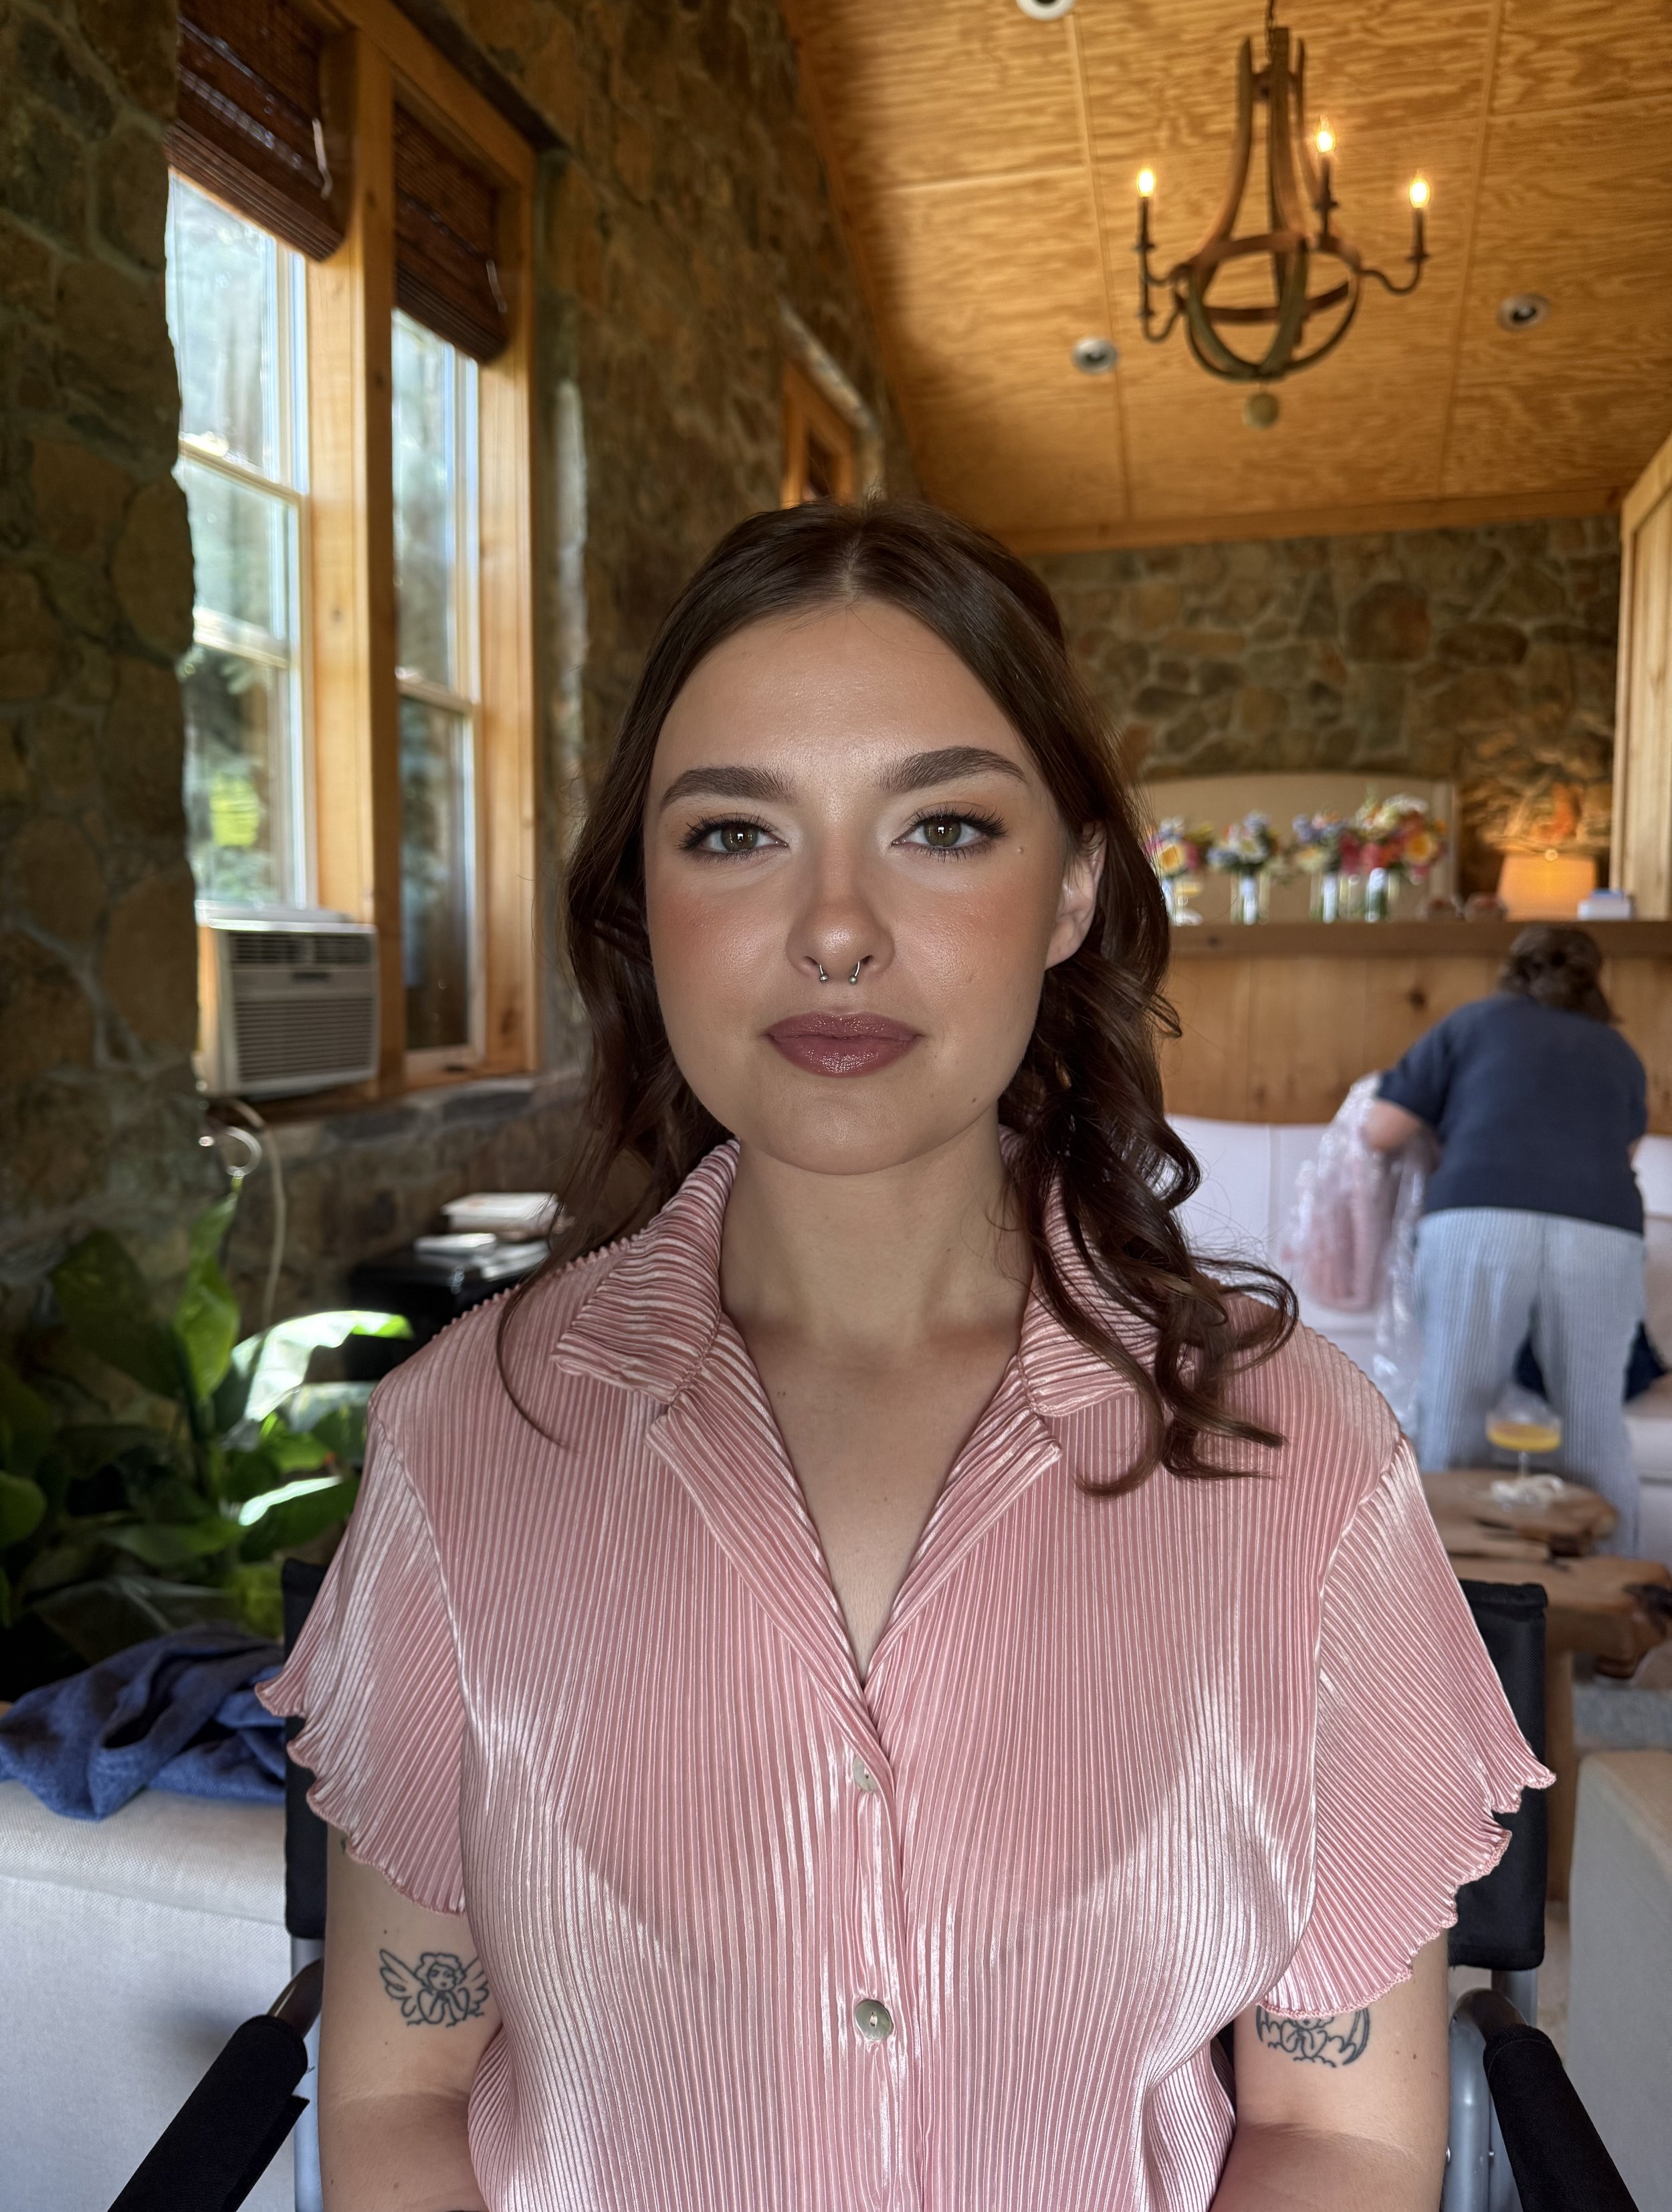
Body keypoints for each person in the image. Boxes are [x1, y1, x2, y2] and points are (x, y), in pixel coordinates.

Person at [264, 500, 1546, 2212]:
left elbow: (1338, 2128)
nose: (839, 928)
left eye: (942, 824)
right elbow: (405, 2092)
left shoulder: (1301, 1459)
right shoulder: (463, 1439)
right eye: (734, 834)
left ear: (1075, 887)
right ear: (642, 901)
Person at [1364, 923, 1648, 1550]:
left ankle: (1441, 1599)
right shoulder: (1619, 1052)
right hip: (1602, 1230)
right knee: (1593, 1424)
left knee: (1454, 1409)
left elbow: (1380, 1130)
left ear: (1511, 971)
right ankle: (1619, 1604)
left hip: (1479, 1218)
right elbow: (1625, 1150)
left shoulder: (1471, 1024)